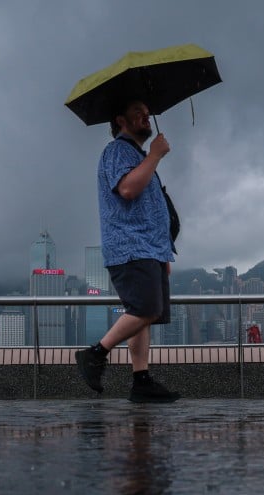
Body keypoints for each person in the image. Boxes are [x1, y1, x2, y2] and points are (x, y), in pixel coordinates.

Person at [76, 100, 180, 403]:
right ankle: (95, 354)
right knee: (146, 309)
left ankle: (141, 379)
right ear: (121, 120)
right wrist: (156, 156)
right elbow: (127, 189)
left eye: (148, 110)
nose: (146, 115)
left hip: (149, 248)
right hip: (130, 246)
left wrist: (163, 251)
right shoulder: (117, 151)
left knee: (144, 315)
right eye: (138, 111)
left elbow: (149, 207)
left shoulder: (136, 155)